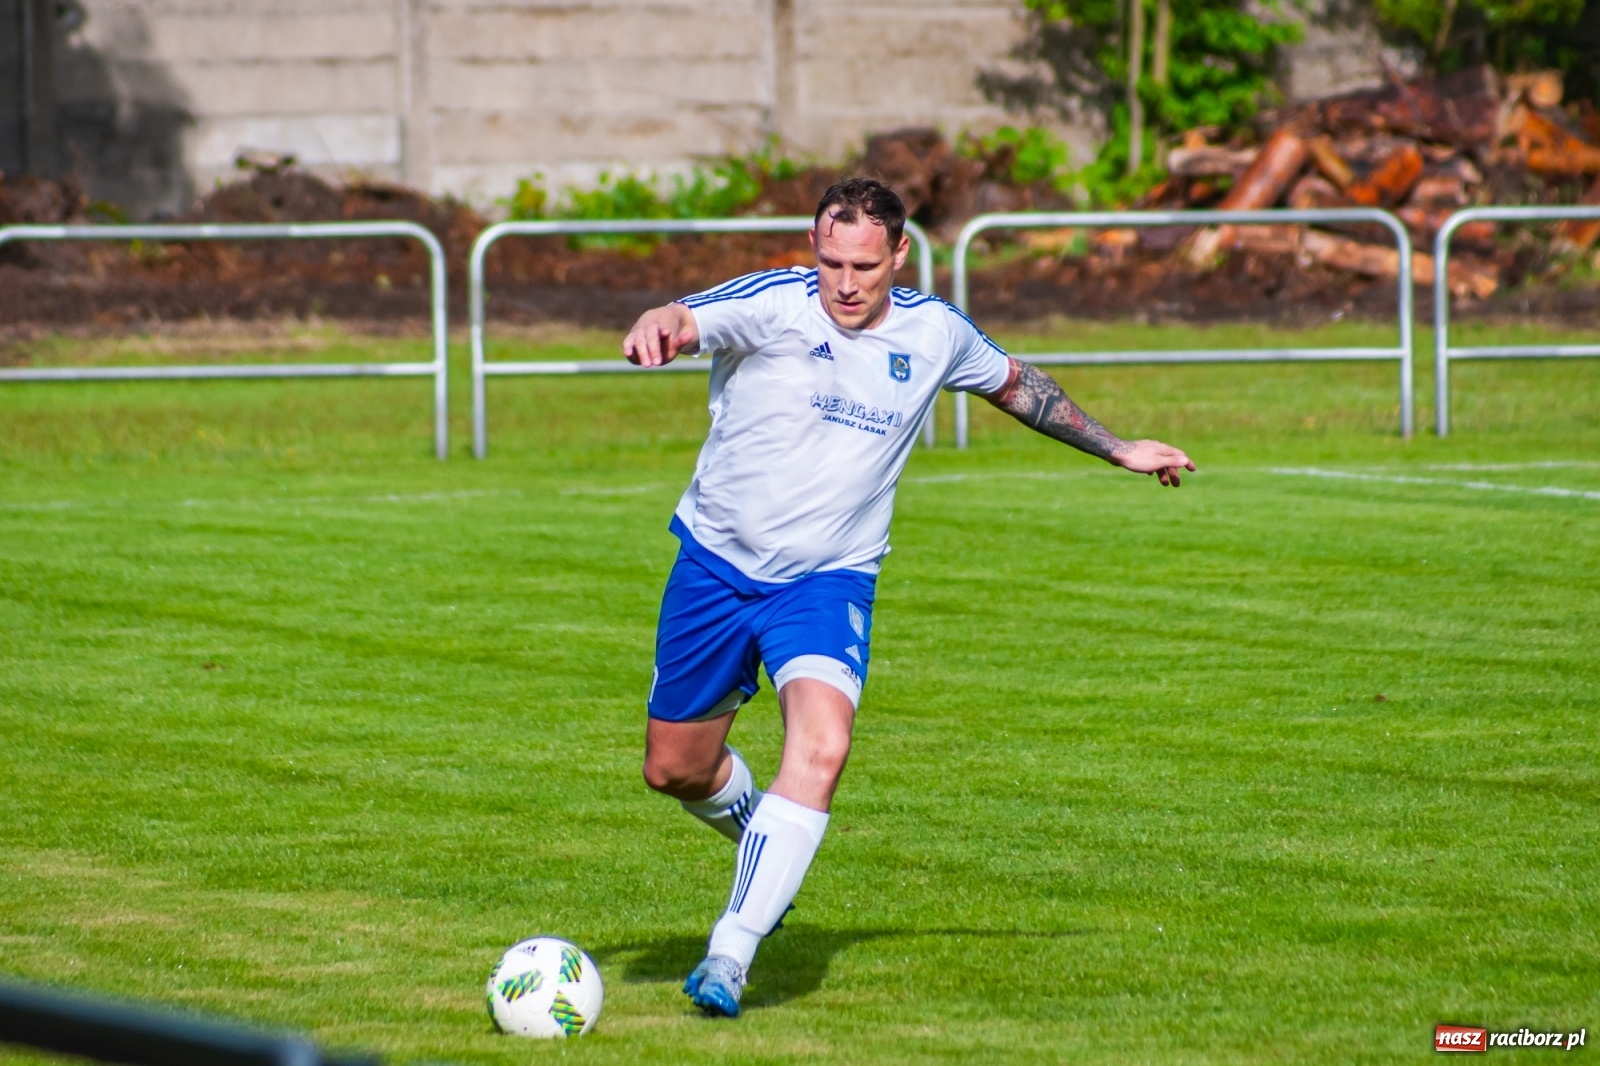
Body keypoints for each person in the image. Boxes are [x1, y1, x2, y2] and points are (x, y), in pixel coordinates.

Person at [621, 178, 1194, 1018]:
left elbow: (1016, 383)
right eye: (828, 262)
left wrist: (1118, 448)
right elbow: (688, 315)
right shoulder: (778, 303)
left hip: (828, 580)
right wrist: (657, 324)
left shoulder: (934, 333)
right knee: (674, 769)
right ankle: (762, 838)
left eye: (862, 265)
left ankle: (729, 956)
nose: (844, 284)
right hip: (714, 566)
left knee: (822, 747)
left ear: (899, 254)